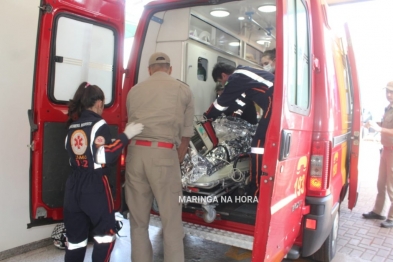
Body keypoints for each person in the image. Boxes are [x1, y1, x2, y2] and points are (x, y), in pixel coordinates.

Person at [125, 52, 194, 262]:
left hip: (135, 154)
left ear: (149, 70)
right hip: (164, 154)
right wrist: (174, 159)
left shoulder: (134, 91)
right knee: (171, 222)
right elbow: (186, 137)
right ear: (170, 69)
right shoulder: (183, 90)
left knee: (138, 223)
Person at [64, 82, 144, 261]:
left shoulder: (72, 126)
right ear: (99, 103)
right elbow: (104, 156)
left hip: (73, 187)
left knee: (75, 240)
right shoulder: (98, 124)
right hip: (94, 187)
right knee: (105, 236)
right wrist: (125, 136)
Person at [205, 62, 274, 196]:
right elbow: (239, 101)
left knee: (258, 146)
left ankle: (256, 190)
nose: (223, 84)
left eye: (221, 81)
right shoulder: (245, 75)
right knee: (262, 143)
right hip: (275, 99)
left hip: (274, 100)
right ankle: (260, 184)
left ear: (224, 75)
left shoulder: (236, 78)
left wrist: (207, 117)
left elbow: (221, 104)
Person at [363, 81, 393, 228]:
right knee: (381, 184)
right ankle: (378, 211)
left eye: (391, 92)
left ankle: (392, 217)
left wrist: (379, 129)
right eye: (387, 91)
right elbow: (386, 125)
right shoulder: (389, 108)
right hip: (386, 150)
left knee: (391, 186)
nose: (389, 94)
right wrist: (372, 124)